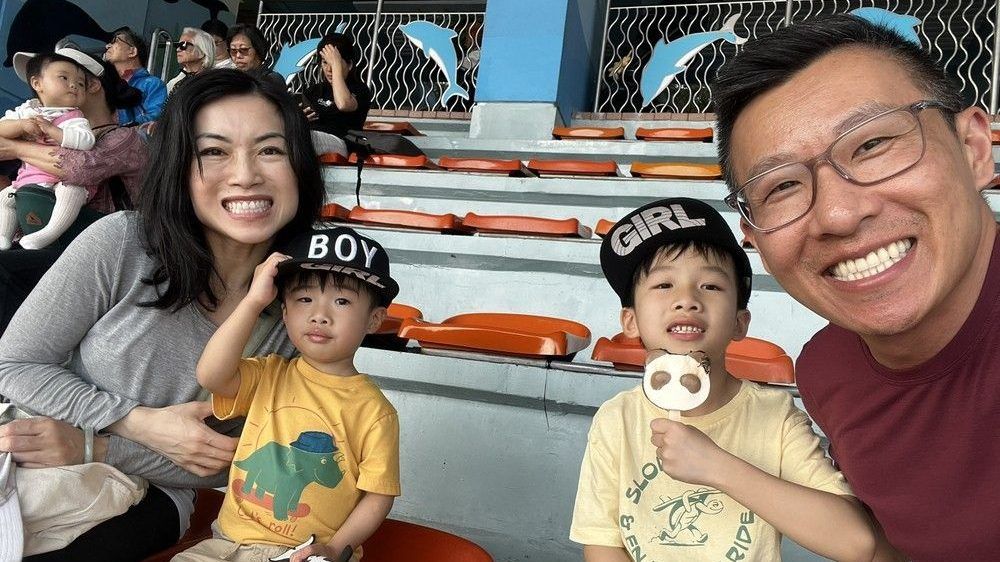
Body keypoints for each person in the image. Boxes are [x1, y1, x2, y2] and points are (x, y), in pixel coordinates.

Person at [0, 68, 324, 561]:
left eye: (271, 150)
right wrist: (134, 420)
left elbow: (251, 460)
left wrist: (98, 447)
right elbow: (13, 363)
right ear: (178, 166)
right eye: (214, 151)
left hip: (155, 496)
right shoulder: (123, 242)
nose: (245, 174)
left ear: (300, 167)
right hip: (34, 449)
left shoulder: (312, 308)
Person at [713, 14, 998, 561]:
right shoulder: (826, 370)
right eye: (783, 186)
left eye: (871, 145)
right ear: (754, 238)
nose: (838, 215)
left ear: (974, 149)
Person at [570, 198, 876, 562]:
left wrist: (717, 467)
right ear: (630, 321)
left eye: (711, 286)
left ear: (739, 323)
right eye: (664, 284)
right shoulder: (616, 419)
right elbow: (603, 544)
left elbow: (856, 542)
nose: (686, 299)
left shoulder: (775, 417)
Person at [172, 226, 400, 562]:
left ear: (374, 319)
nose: (319, 315)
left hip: (306, 554)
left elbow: (378, 495)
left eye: (342, 301)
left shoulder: (375, 412)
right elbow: (211, 374)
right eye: (304, 299)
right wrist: (252, 302)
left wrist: (337, 548)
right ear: (285, 313)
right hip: (227, 545)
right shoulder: (269, 373)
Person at [0, 48, 145, 335]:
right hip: (52, 244)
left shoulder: (125, 138)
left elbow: (79, 169)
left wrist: (15, 148)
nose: (58, 83)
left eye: (66, 75)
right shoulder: (43, 122)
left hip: (100, 259)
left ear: (90, 85)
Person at [0, 52, 94, 250]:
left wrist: (54, 131)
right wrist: (22, 125)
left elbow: (86, 141)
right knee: (5, 199)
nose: (73, 85)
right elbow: (2, 128)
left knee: (73, 192)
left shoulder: (74, 117)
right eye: (64, 77)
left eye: (80, 83)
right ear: (37, 84)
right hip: (28, 179)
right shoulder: (27, 110)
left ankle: (49, 232)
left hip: (58, 182)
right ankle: (3, 235)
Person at [301, 33, 371, 140]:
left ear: (349, 65)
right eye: (325, 62)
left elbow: (343, 104)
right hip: (309, 141)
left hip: (344, 143)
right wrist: (298, 120)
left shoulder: (360, 90)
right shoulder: (313, 91)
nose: (329, 69)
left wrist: (336, 66)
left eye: (333, 63)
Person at [104, 26, 167, 125]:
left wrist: (121, 129)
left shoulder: (153, 84)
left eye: (115, 42)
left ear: (132, 52)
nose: (107, 46)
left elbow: (154, 120)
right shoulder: (102, 83)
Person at [227, 23, 286, 91]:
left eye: (244, 50)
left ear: (258, 49)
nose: (238, 56)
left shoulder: (272, 80)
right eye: (233, 51)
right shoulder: (230, 79)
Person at [167, 27, 216, 93]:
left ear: (202, 52)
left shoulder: (213, 82)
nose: (178, 49)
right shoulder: (175, 84)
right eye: (178, 45)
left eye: (183, 45)